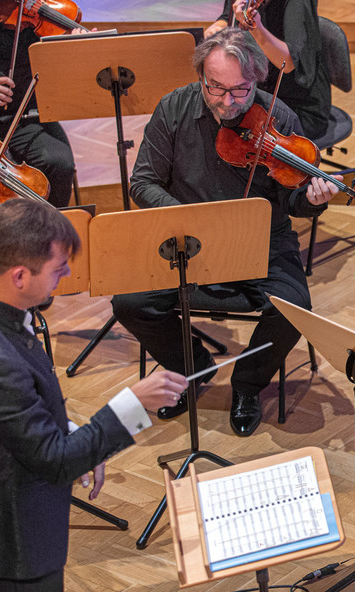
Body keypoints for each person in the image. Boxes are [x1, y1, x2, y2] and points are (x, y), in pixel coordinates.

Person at [0, 199, 187, 592]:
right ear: (20, 276)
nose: (65, 276)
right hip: (10, 547)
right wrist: (132, 404)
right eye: (58, 268)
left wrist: (72, 431)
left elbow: (9, 419)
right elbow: (55, 461)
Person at [111, 28, 339, 437]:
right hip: (185, 239)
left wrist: (312, 200)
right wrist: (191, 221)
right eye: (216, 88)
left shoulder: (279, 117)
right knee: (129, 302)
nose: (227, 102)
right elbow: (143, 183)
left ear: (256, 80)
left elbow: (291, 201)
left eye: (240, 90)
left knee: (294, 307)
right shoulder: (173, 109)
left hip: (259, 238)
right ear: (202, 76)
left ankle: (247, 385)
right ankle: (192, 369)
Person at [0, 0, 76, 208]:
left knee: (58, 162)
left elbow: (53, 66)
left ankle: (47, 234)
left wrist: (72, 46)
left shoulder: (25, 10)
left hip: (21, 116)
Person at [205, 0, 332, 140]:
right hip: (255, 93)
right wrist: (218, 26)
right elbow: (227, 17)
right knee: (203, 119)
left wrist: (256, 29)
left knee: (225, 135)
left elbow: (288, 63)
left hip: (297, 105)